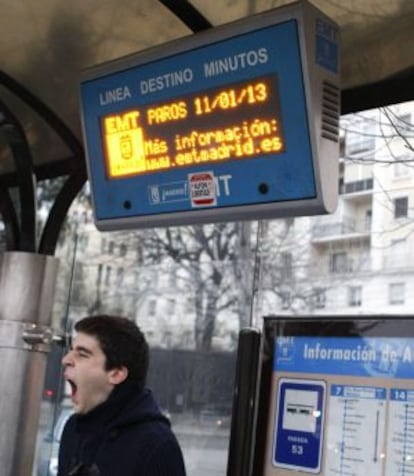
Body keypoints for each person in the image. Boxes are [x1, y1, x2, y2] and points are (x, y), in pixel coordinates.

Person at [57, 314, 187, 476]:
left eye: (82, 354)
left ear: (116, 373)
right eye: (71, 350)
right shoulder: (73, 429)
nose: (66, 360)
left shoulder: (156, 446)